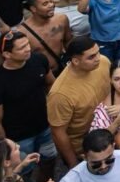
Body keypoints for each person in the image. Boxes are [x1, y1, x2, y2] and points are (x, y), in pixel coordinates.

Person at [0, 30, 57, 182]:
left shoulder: (39, 60)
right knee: (24, 172)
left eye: (27, 44)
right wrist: (6, 148)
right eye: (22, 47)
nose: (28, 49)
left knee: (49, 161)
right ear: (7, 54)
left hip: (45, 128)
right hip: (20, 139)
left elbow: (51, 83)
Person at [47, 36, 113, 168]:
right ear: (75, 61)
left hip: (111, 132)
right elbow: (58, 132)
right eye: (91, 57)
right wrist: (73, 164)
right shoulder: (60, 94)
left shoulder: (104, 62)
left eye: (98, 52)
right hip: (85, 149)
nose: (98, 58)